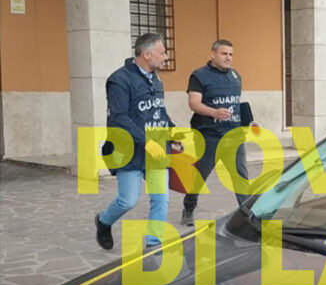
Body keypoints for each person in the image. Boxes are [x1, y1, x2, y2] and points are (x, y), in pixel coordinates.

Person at [95, 33, 178, 250]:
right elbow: (119, 117)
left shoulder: (156, 79)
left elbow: (159, 111)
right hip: (130, 150)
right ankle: (103, 221)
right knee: (128, 200)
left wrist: (172, 132)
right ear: (147, 54)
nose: (166, 57)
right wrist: (146, 142)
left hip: (157, 150)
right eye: (162, 53)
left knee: (161, 198)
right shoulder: (119, 80)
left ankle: (154, 242)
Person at [181, 39, 249, 225]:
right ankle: (189, 206)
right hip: (208, 136)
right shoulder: (199, 76)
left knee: (240, 177)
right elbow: (193, 103)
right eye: (224, 54)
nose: (228, 58)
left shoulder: (235, 76)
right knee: (199, 176)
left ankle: (247, 215)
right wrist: (214, 112)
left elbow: (235, 104)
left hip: (234, 136)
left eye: (231, 54)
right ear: (213, 54)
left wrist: (247, 121)